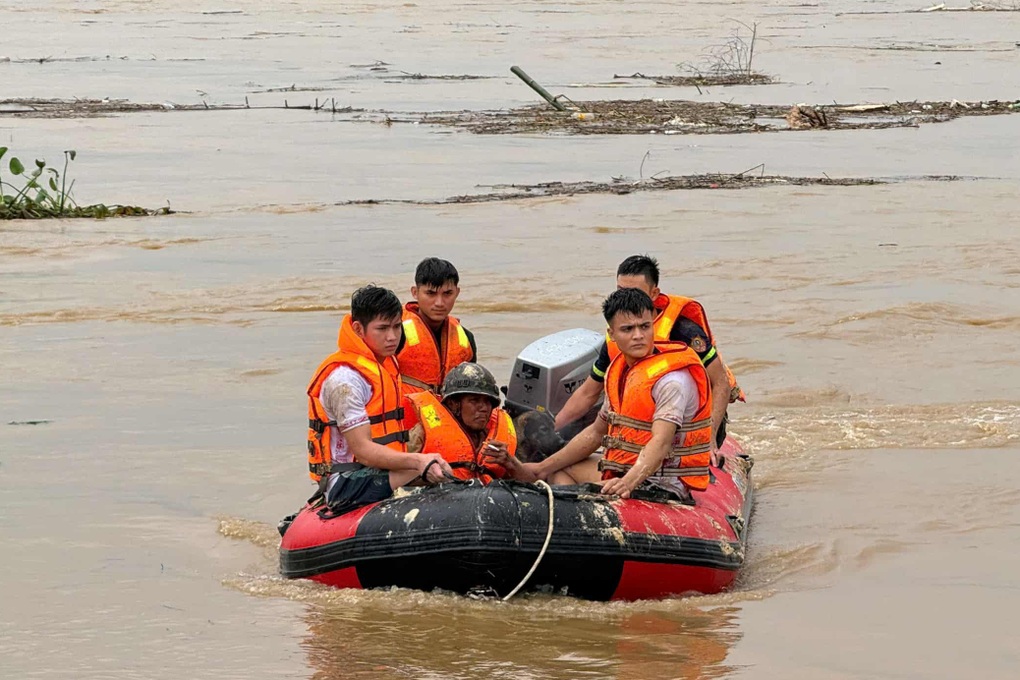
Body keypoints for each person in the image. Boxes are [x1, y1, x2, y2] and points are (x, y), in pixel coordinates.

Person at [525, 288, 713, 500]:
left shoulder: (672, 381)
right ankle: (577, 511)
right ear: (612, 334)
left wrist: (627, 483)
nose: (638, 336)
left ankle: (583, 509)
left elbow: (661, 442)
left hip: (661, 483)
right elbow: (596, 432)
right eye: (627, 329)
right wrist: (542, 467)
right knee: (557, 470)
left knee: (565, 480)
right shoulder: (621, 372)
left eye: (644, 326)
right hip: (625, 469)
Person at [554, 255, 742, 455]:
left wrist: (709, 438)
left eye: (635, 292)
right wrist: (553, 428)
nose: (627, 298)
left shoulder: (685, 332)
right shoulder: (616, 337)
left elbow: (720, 383)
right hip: (644, 417)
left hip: (691, 419)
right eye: (620, 291)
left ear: (654, 294)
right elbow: (588, 393)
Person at [306, 285, 453, 510]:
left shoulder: (387, 365)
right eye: (382, 328)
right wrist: (418, 461)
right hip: (345, 482)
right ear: (358, 329)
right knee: (424, 465)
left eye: (396, 326)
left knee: (445, 468)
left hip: (379, 470)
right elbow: (363, 451)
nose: (392, 337)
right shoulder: (345, 381)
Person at [405, 363, 535, 483]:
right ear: (453, 404)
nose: (484, 408)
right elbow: (398, 477)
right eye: (474, 400)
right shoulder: (422, 434)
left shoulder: (497, 442)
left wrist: (510, 463)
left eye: (488, 401)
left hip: (486, 497)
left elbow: (530, 482)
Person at [397, 257, 477, 395]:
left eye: (447, 293)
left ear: (457, 293)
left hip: (447, 408)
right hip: (404, 407)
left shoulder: (467, 338)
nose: (439, 303)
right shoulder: (393, 333)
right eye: (431, 293)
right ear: (415, 292)